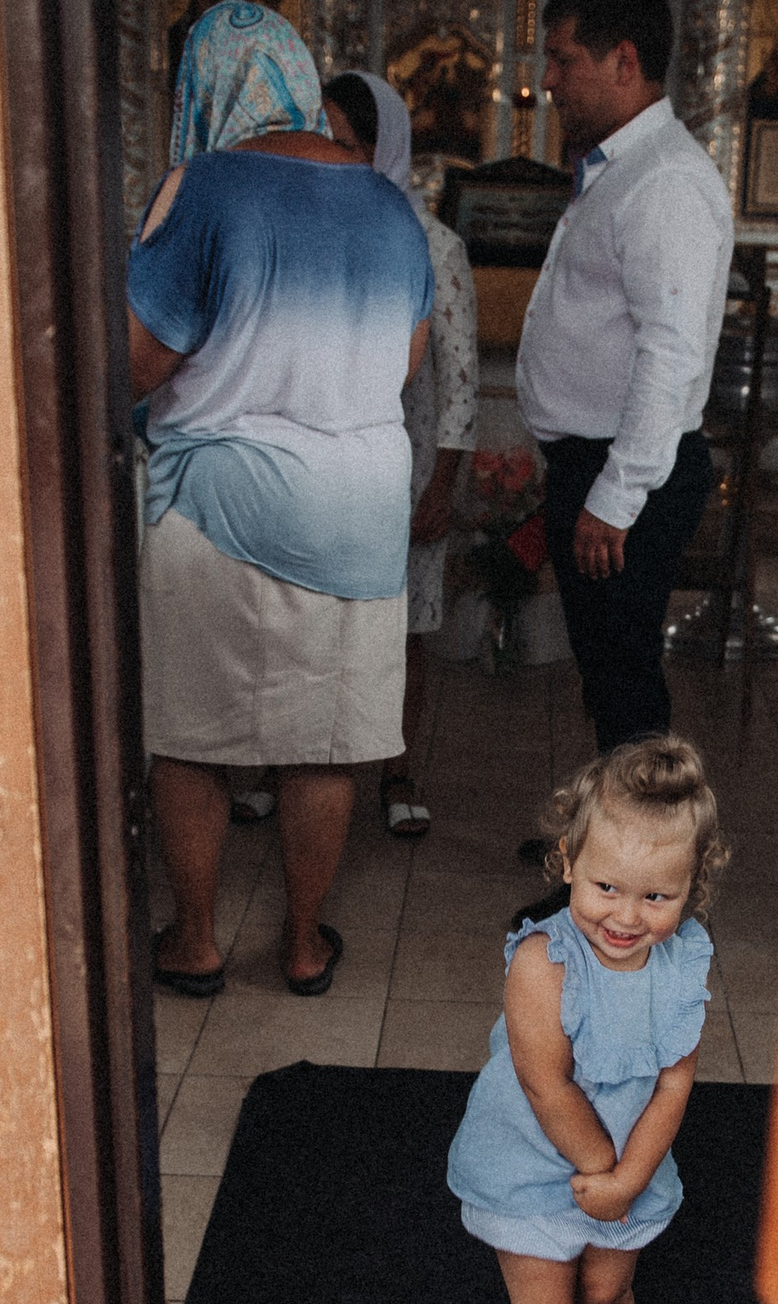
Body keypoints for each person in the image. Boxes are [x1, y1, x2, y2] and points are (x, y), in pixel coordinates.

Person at [131, 1, 435, 997]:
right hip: (356, 508)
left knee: (193, 736)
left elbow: (134, 362)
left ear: (204, 88)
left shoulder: (206, 188)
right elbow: (401, 364)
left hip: (218, 503)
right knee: (325, 742)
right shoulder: (392, 207)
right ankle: (304, 942)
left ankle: (196, 939)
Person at [445, 735, 731, 1304]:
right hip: (538, 1165)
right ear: (567, 860)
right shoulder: (543, 964)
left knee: (606, 1292)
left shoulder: (683, 963)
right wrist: (603, 1171)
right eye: (606, 885)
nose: (626, 916)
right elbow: (547, 1084)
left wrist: (630, 1178)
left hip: (628, 1168)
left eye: (656, 897)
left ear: (690, 888)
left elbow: (675, 1079)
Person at [518, 0, 734, 782]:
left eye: (562, 59)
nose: (547, 81)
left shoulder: (666, 179)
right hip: (601, 464)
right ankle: (616, 854)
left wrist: (615, 494)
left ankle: (642, 880)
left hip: (625, 472)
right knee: (611, 683)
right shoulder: (623, 166)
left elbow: (669, 351)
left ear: (625, 61)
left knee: (627, 688)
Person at [323, 70, 480, 839]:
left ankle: (396, 768)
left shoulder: (434, 244)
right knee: (314, 624)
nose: (330, 156)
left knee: (403, 630)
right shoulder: (311, 231)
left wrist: (441, 483)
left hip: (409, 468)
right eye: (321, 139)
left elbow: (459, 381)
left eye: (345, 143)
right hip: (324, 467)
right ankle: (292, 764)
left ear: (383, 147)